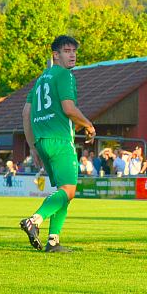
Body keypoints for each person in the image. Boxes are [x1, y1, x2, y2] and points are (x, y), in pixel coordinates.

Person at [19, 35, 96, 253]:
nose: (72, 55)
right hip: (61, 140)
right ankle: (35, 220)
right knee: (69, 190)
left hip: (42, 141)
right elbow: (69, 109)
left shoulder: (41, 78)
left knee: (64, 191)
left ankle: (53, 241)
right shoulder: (64, 75)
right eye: (67, 51)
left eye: (74, 51)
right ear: (56, 55)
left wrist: (32, 146)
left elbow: (26, 112)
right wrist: (89, 125)